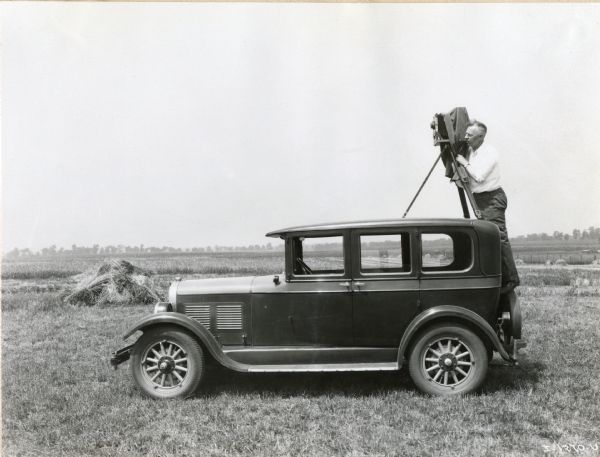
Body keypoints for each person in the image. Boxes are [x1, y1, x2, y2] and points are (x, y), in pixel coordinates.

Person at [455, 120, 520, 293]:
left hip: (492, 198)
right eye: (466, 133)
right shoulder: (471, 151)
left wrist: (463, 162)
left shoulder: (490, 153)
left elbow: (479, 176)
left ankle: (511, 280)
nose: (466, 137)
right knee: (489, 238)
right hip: (480, 199)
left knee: (498, 237)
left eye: (470, 135)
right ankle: (498, 278)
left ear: (481, 137)